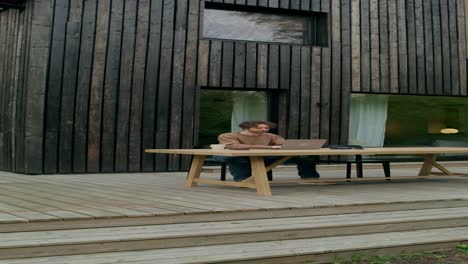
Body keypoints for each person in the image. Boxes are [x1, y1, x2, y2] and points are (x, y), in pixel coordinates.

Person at [213, 121, 320, 181]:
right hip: (229, 154)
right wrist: (269, 148)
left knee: (304, 156)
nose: (264, 130)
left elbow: (283, 143)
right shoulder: (227, 135)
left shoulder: (269, 136)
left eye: (266, 128)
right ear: (247, 127)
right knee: (238, 158)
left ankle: (310, 177)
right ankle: (244, 181)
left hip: (261, 155)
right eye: (261, 128)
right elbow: (234, 147)